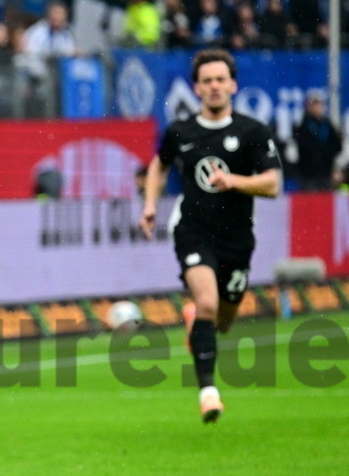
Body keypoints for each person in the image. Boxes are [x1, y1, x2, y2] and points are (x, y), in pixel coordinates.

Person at [140, 49, 280, 423]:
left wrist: (233, 180)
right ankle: (208, 392)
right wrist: (150, 205)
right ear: (197, 88)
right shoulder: (181, 131)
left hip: (236, 238)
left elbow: (272, 184)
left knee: (222, 320)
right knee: (206, 302)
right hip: (193, 231)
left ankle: (196, 321)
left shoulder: (253, 132)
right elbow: (159, 164)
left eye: (221, 80)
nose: (215, 86)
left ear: (233, 85)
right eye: (207, 81)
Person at [292, 90, 342, 191]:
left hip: (326, 172)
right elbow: (303, 147)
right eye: (314, 105)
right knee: (310, 201)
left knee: (326, 200)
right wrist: (320, 151)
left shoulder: (327, 125)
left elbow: (337, 146)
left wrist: (326, 155)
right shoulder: (302, 125)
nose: (318, 108)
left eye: (320, 104)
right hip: (308, 174)